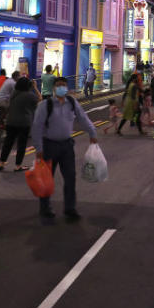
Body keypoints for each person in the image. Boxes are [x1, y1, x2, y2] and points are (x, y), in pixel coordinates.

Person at [31, 76, 98, 220]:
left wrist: (92, 132)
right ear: (54, 88)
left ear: (67, 88)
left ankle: (70, 208)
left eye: (63, 85)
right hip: (49, 146)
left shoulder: (72, 103)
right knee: (46, 179)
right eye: (58, 85)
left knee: (70, 177)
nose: (61, 88)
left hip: (67, 146)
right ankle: (45, 208)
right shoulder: (45, 105)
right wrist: (39, 149)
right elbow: (37, 127)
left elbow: (83, 118)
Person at [0, 77, 38, 172]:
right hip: (23, 123)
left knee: (8, 143)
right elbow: (39, 99)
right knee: (21, 144)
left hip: (10, 121)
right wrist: (35, 87)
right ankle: (18, 165)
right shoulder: (29, 95)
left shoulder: (14, 93)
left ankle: (1, 163)